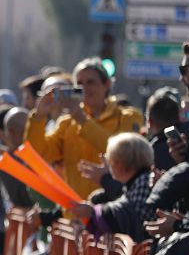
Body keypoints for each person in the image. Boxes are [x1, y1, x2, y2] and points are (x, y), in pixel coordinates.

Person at [25, 57, 142, 200]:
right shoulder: (67, 122)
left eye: (91, 82)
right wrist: (38, 117)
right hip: (75, 214)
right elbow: (38, 155)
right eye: (79, 83)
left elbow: (123, 155)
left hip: (111, 213)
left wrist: (81, 119)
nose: (85, 88)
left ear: (107, 84)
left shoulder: (128, 117)